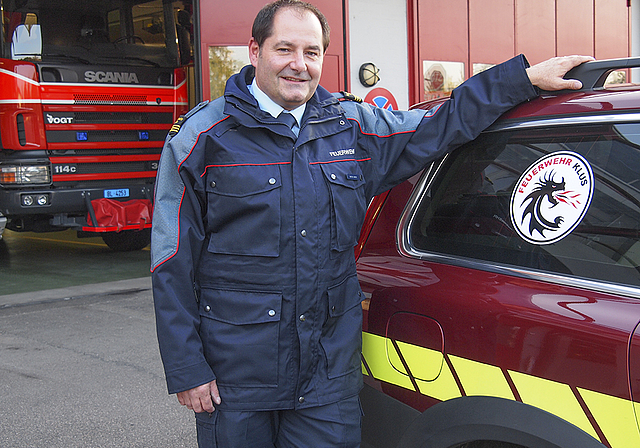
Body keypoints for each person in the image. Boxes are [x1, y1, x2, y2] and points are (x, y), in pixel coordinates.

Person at [150, 0, 592, 446]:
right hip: (237, 376)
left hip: (325, 377)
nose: (298, 65)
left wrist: (520, 81)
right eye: (284, 49)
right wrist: (187, 366)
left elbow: (440, 124)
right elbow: (171, 260)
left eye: (312, 52)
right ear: (255, 51)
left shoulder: (352, 127)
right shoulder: (201, 138)